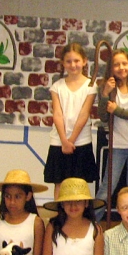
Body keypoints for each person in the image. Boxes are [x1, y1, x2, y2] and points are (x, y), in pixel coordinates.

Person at [95, 49, 128, 220]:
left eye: (124, 63)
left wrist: (117, 110)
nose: (121, 68)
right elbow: (103, 116)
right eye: (116, 64)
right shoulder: (106, 87)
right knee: (107, 188)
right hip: (117, 145)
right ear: (111, 67)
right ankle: (91, 223)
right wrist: (105, 95)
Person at [44, 43, 99, 200]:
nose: (73, 65)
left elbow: (84, 114)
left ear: (84, 61)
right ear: (63, 63)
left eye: (76, 61)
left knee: (79, 184)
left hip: (80, 141)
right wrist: (64, 140)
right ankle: (58, 220)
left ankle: (80, 221)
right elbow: (58, 114)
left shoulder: (91, 86)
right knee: (59, 183)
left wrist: (72, 140)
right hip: (59, 141)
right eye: (68, 61)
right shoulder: (57, 87)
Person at [40, 177, 106, 255]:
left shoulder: (95, 230)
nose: (73, 206)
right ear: (62, 204)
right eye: (68, 201)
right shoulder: (53, 227)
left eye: (78, 201)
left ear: (86, 203)